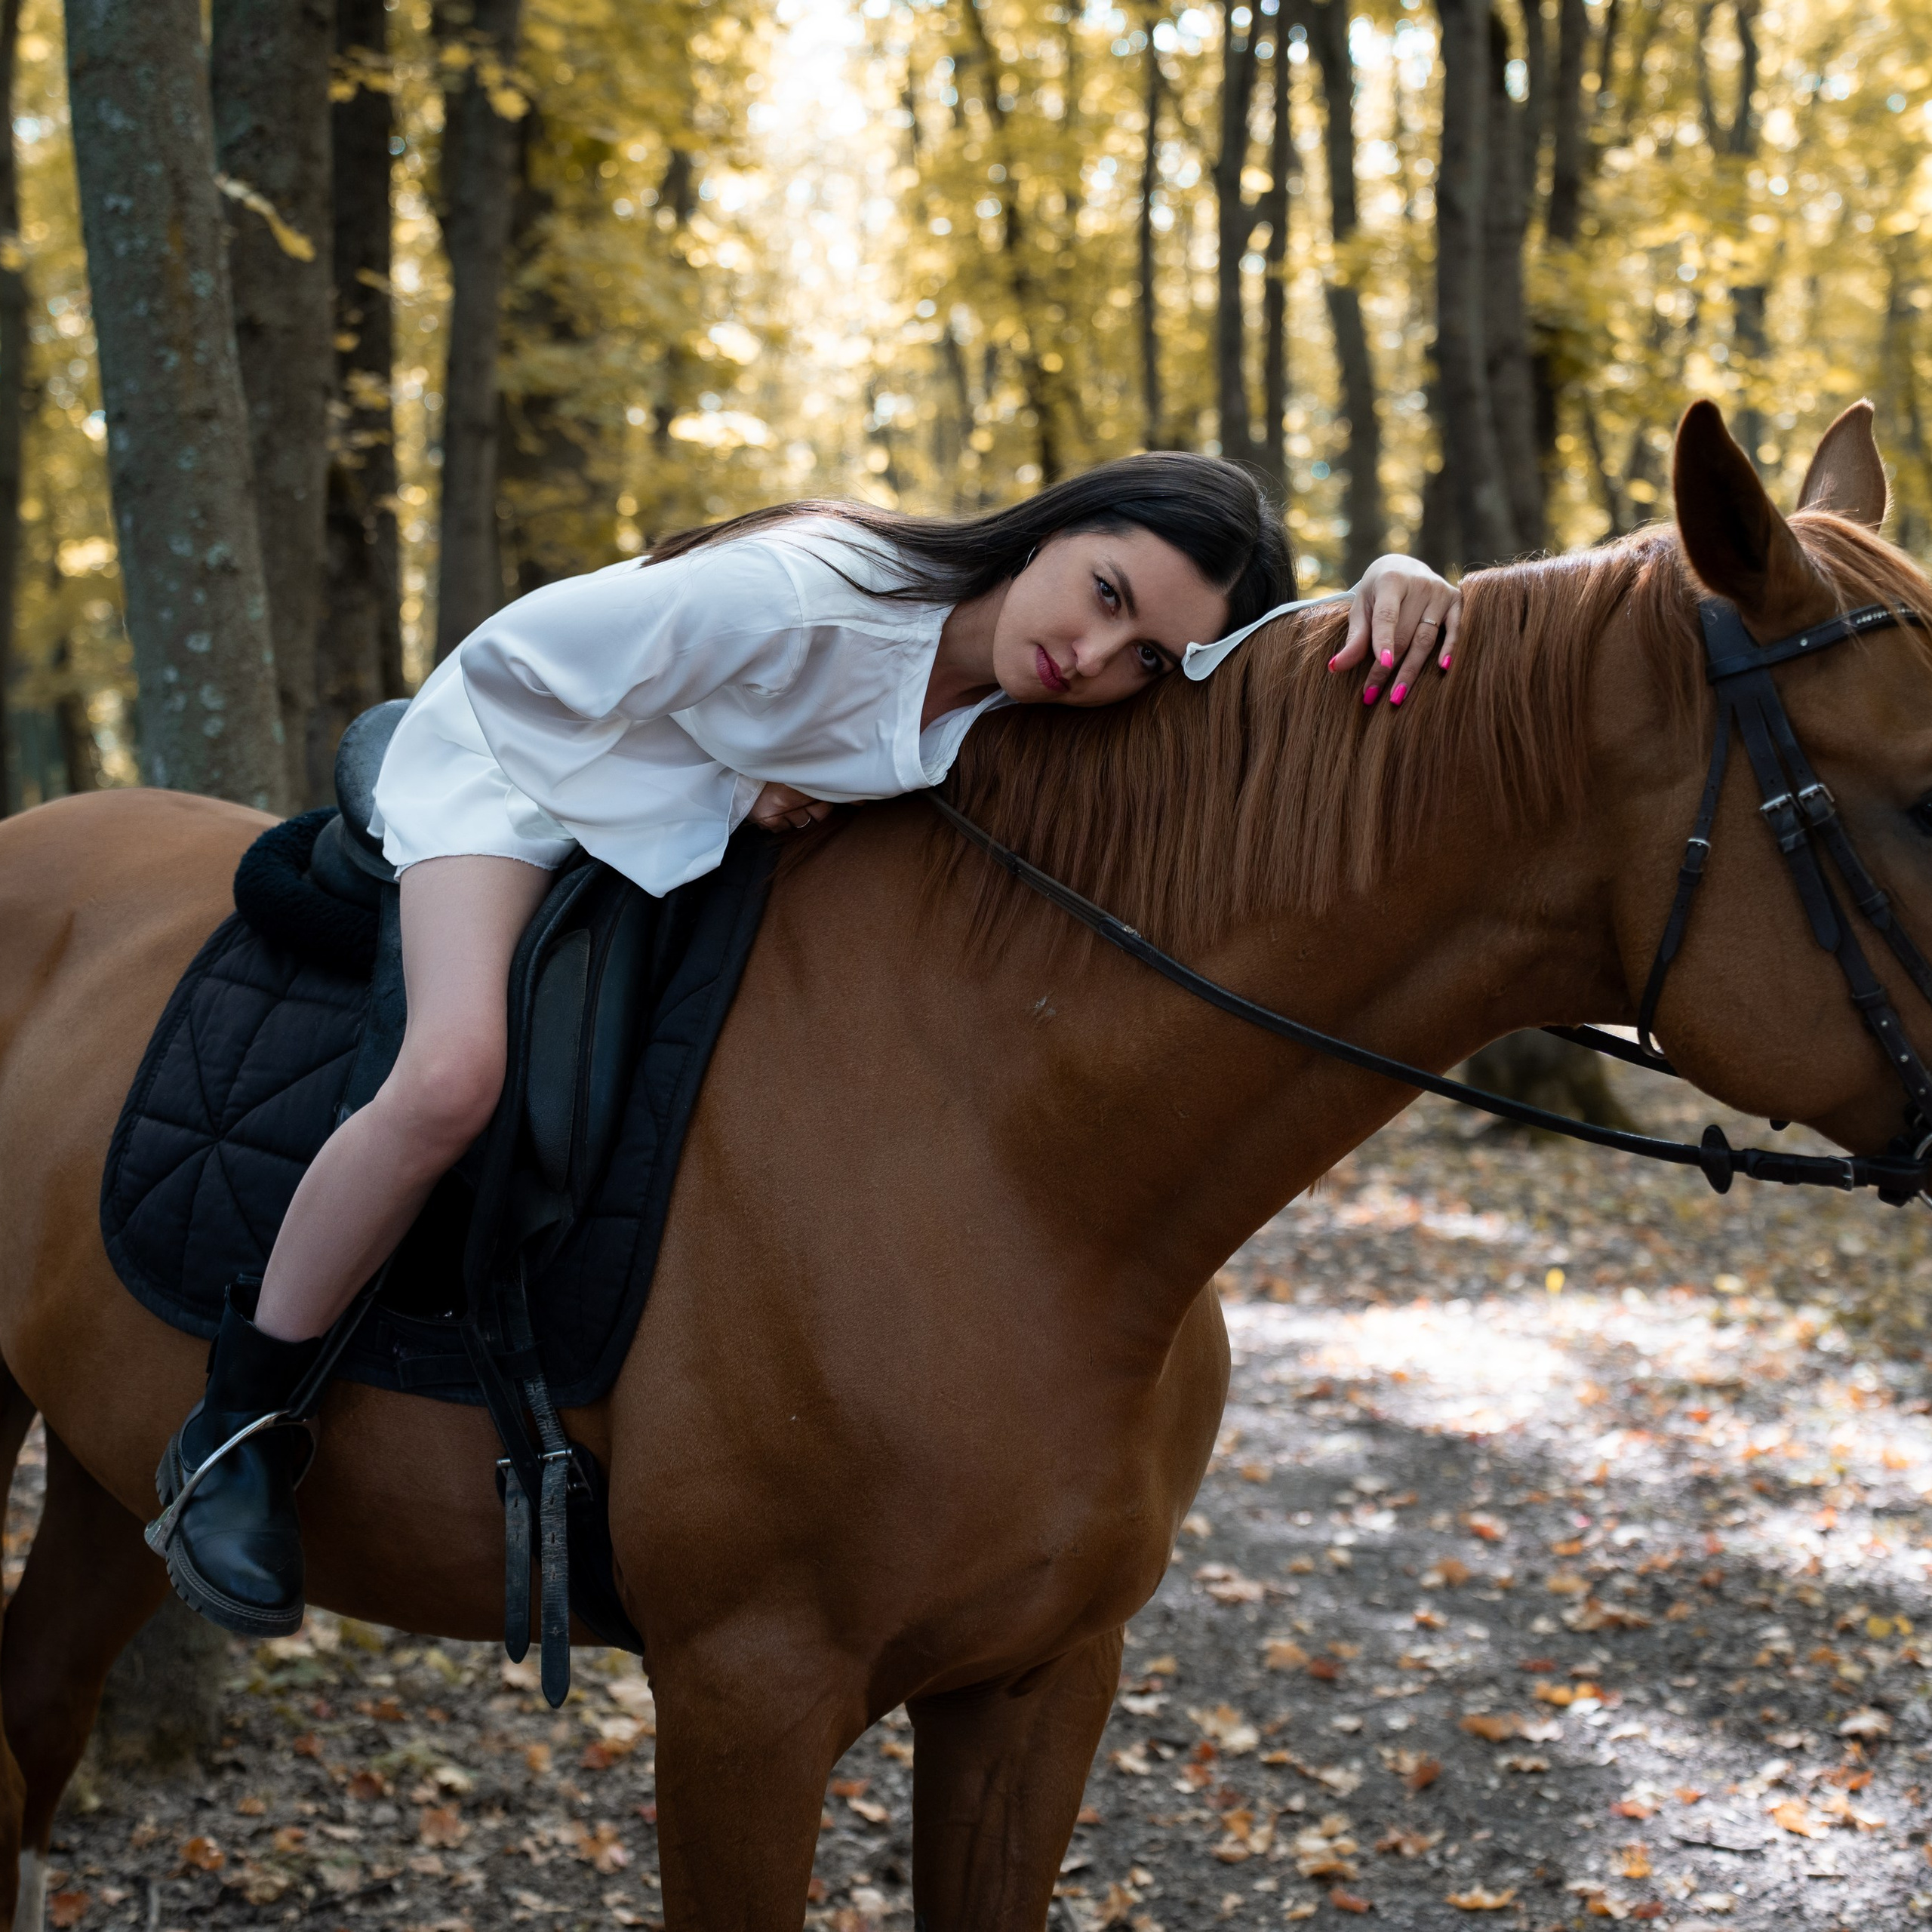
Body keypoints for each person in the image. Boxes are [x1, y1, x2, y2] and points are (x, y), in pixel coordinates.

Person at [152, 451, 1462, 1636]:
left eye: (1143, 655)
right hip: (515, 777)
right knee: (451, 1080)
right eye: (1103, 592)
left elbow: (1249, 676)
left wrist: (1393, 580)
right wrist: (720, 788)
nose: (1096, 652)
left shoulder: (1026, 690)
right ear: (1051, 533)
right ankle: (241, 1424)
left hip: (673, 830)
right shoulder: (798, 590)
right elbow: (514, 671)